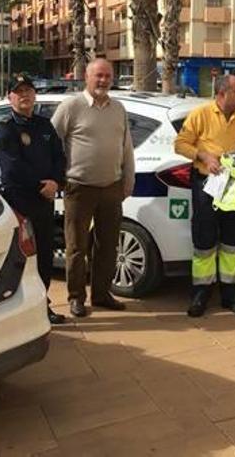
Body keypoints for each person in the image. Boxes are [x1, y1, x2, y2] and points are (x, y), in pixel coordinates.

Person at [51, 59, 134, 317]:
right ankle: (76, 297)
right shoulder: (71, 106)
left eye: (108, 76)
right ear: (86, 77)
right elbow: (53, 143)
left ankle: (101, 294)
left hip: (111, 187)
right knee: (77, 246)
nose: (103, 80)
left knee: (108, 245)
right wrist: (58, 176)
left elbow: (126, 147)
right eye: (99, 75)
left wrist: (127, 180)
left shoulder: (118, 108)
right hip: (79, 188)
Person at [174, 74, 235, 317]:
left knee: (233, 239)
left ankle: (230, 293)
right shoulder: (201, 114)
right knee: (204, 239)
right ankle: (201, 292)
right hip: (207, 184)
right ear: (222, 94)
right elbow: (180, 144)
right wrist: (204, 156)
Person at [0, 74, 66, 324]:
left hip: (45, 201)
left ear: (35, 95)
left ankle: (43, 305)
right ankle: (20, 308)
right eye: (19, 91)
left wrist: (56, 182)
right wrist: (40, 185)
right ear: (9, 97)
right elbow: (12, 168)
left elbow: (59, 157)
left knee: (45, 256)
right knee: (24, 258)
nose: (25, 95)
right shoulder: (6, 129)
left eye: (29, 91)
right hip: (21, 202)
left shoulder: (44, 126)